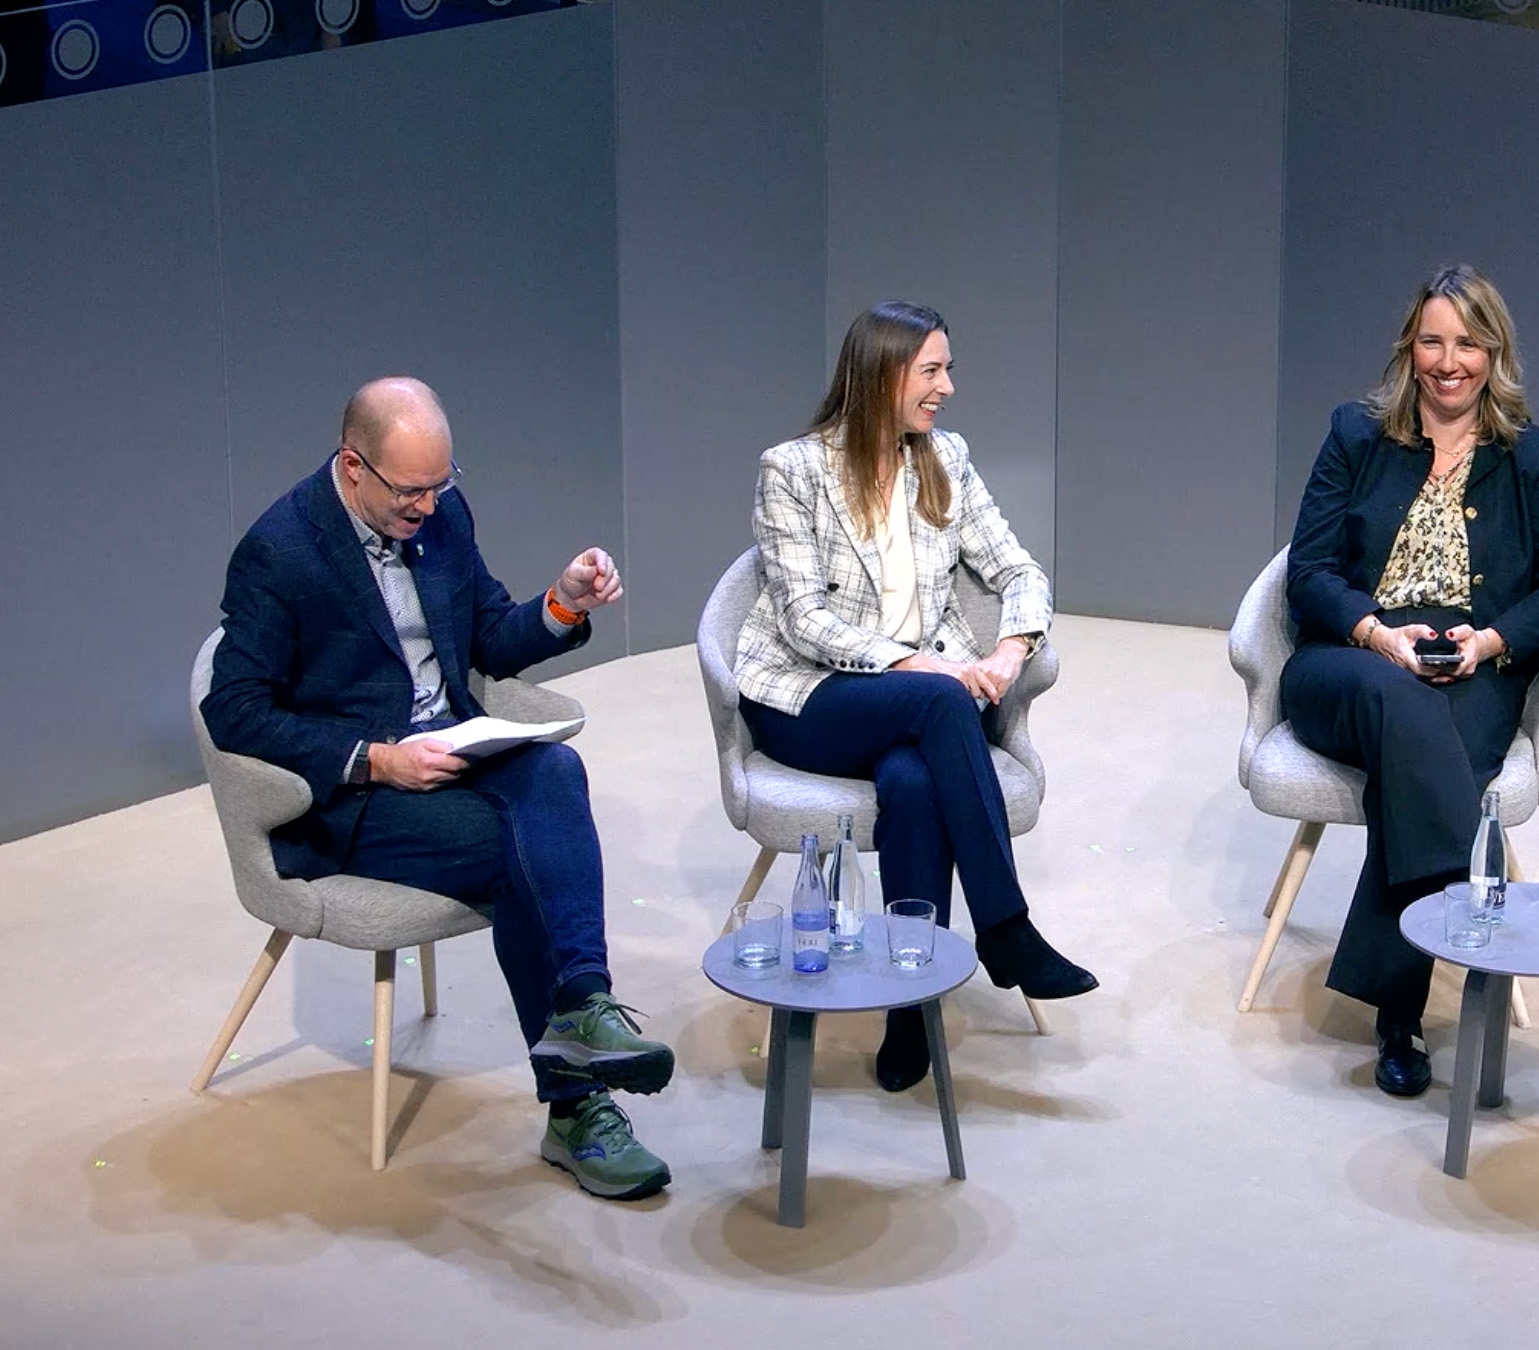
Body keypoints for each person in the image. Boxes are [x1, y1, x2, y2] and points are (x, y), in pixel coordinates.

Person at [202, 377, 675, 1201]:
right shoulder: (280, 550)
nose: (428, 505)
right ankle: (578, 1108)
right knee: (516, 853)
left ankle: (582, 1008)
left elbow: (488, 633)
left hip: (453, 750)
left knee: (555, 770)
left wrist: (560, 606)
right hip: (354, 799)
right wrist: (377, 759)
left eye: (441, 483)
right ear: (354, 468)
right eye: (410, 490)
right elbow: (234, 708)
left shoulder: (441, 515)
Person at [734, 301, 1096, 1094]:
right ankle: (1006, 928)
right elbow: (804, 621)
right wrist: (920, 667)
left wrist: (1010, 646)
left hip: (909, 706)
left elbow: (1020, 570)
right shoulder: (792, 469)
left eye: (947, 369)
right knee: (939, 707)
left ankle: (910, 1006)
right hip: (807, 697)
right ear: (883, 376)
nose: (948, 388)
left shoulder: (945, 459)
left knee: (911, 780)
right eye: (932, 371)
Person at [1281, 264, 1539, 1098]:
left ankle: (1400, 1015)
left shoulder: (1527, 455)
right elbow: (1306, 573)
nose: (1447, 361)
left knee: (1419, 764)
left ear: (1494, 353)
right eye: (1431, 341)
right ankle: (1483, 926)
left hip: (1473, 669)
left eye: (1467, 343)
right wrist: (1381, 636)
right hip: (1351, 662)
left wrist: (1490, 641)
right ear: (1408, 347)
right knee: (1403, 707)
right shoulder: (1357, 433)